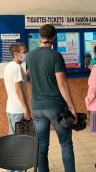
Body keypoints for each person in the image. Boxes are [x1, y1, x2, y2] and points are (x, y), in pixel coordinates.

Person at [26, 24, 77, 172]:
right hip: (56, 108)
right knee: (66, 144)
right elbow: (62, 84)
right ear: (54, 37)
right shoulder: (56, 56)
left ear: (39, 36)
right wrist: (72, 106)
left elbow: (27, 76)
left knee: (41, 146)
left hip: (37, 108)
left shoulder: (30, 56)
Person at [4, 43, 31, 172]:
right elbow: (18, 89)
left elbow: (21, 80)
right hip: (19, 111)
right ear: (16, 54)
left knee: (13, 142)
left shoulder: (10, 67)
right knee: (21, 144)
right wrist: (26, 108)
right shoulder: (16, 68)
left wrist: (30, 71)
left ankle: (11, 169)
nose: (26, 54)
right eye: (24, 52)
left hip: (11, 109)